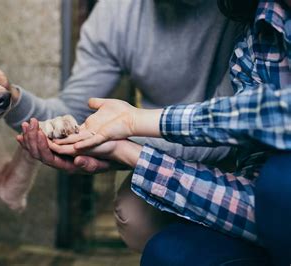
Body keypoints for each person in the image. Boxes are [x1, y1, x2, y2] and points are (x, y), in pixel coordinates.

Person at [0, 0, 243, 252]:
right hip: (162, 148)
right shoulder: (115, 14)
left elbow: (236, 124)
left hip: (246, 149)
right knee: (135, 217)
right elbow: (70, 110)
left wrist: (122, 149)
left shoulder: (243, 11)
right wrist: (8, 95)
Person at [44, 0, 290, 264]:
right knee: (163, 252)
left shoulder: (232, 22)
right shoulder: (259, 28)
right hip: (250, 177)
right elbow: (260, 205)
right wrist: (124, 151)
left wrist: (137, 123)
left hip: (230, 155)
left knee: (278, 181)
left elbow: (265, 115)